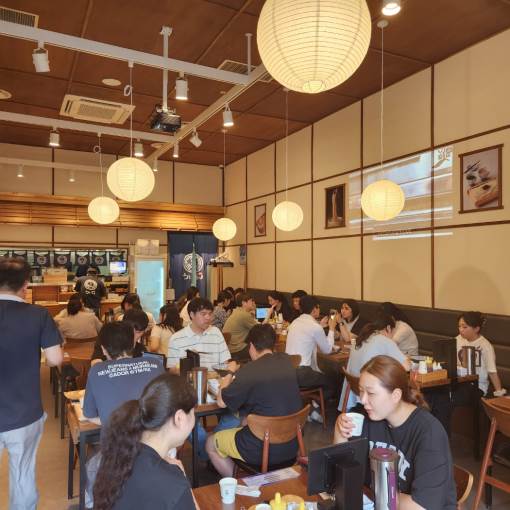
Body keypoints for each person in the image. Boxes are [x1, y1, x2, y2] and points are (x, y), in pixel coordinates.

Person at [335, 355, 456, 510]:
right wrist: (340, 430)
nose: (363, 400)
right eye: (361, 391)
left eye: (371, 393)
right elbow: (341, 473)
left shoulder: (429, 433)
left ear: (396, 395)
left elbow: (421, 506)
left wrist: (379, 496)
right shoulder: (366, 418)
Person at [0, 257, 63, 509]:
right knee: (23, 475)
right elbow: (55, 359)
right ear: (26, 284)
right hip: (24, 411)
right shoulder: (38, 315)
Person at [83, 321, 165, 508]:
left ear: (103, 349)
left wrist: (115, 417)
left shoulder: (96, 371)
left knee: (91, 470)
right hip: (157, 448)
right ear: (133, 343)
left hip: (118, 453)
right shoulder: (155, 364)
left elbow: (89, 415)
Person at [206, 324, 302, 477]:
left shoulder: (249, 370)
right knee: (243, 421)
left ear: (251, 346)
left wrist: (229, 372)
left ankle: (243, 484)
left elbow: (221, 402)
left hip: (261, 449)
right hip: (292, 445)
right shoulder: (287, 361)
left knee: (210, 442)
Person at [93, 373, 198, 510]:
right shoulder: (174, 485)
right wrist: (183, 480)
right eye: (193, 412)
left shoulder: (120, 455)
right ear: (179, 418)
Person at [339, 314, 410, 411]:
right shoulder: (384, 340)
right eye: (393, 332)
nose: (392, 336)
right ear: (388, 328)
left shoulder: (362, 338)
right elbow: (407, 367)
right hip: (371, 390)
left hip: (356, 389)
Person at [285, 295, 338, 422]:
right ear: (314, 309)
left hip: (287, 371)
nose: (319, 310)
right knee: (333, 383)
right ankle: (313, 408)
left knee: (321, 376)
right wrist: (331, 328)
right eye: (318, 308)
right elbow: (327, 350)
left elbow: (307, 334)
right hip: (302, 373)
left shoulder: (295, 322)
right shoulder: (315, 327)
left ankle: (311, 407)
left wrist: (320, 325)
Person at [167, 297, 230, 372]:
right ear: (192, 315)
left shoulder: (216, 332)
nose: (208, 317)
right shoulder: (176, 338)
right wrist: (188, 364)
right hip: (189, 379)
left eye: (210, 314)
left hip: (215, 378)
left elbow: (225, 363)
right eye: (203, 314)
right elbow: (171, 369)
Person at [456, 311, 504, 396]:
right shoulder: (457, 339)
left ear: (476, 329)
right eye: (459, 326)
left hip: (477, 387)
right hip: (459, 382)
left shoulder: (485, 346)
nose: (461, 329)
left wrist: (499, 393)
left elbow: (492, 372)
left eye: (464, 327)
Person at [222, 292, 258, 361]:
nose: (253, 303)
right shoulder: (244, 315)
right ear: (244, 303)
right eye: (251, 301)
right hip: (237, 350)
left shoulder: (237, 311)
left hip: (229, 349)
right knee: (261, 348)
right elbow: (260, 330)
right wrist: (268, 314)